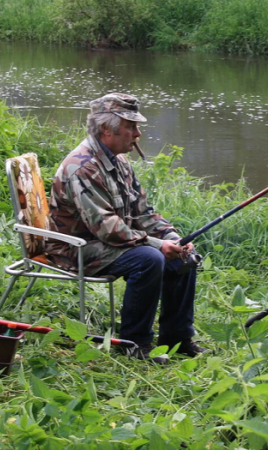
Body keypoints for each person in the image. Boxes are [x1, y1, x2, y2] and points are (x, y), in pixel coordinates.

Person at [45, 93, 205, 363]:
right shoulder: (81, 167)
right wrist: (157, 245)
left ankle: (177, 338)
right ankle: (134, 343)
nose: (138, 133)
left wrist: (172, 237)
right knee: (149, 258)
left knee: (183, 255)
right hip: (74, 249)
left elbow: (143, 212)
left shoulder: (120, 162)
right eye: (130, 127)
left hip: (106, 243)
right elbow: (107, 228)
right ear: (106, 129)